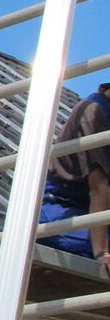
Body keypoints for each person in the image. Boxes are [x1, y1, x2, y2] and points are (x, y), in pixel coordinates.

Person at [38, 82, 110, 276]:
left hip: (89, 212)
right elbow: (99, 188)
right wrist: (102, 252)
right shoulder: (93, 112)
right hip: (58, 208)